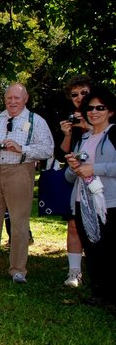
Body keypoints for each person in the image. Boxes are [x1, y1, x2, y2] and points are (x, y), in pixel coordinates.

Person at [0, 83, 53, 283]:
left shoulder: (36, 121)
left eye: (17, 98)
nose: (12, 102)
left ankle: (18, 270)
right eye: (9, 98)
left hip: (20, 172)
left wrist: (22, 149)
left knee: (19, 223)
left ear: (25, 99)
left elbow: (47, 149)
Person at [64, 87, 116, 307]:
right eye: (90, 108)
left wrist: (95, 168)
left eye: (100, 108)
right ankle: (99, 293)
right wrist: (74, 167)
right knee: (92, 248)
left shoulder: (114, 134)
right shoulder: (83, 138)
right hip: (82, 202)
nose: (94, 112)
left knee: (109, 248)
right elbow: (69, 177)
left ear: (110, 111)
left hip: (109, 202)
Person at [55, 75, 92, 288]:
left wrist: (88, 125)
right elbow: (63, 154)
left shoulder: (104, 117)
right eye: (74, 94)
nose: (79, 97)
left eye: (83, 93)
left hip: (104, 179)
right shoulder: (73, 120)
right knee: (73, 224)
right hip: (78, 180)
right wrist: (67, 134)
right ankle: (74, 272)